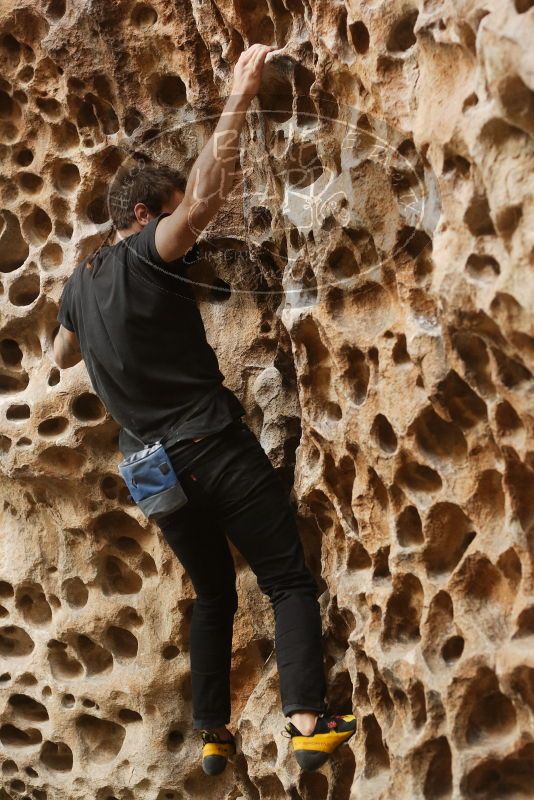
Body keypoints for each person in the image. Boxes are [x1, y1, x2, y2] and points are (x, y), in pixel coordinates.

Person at [53, 43, 356, 775]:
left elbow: (59, 360)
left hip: (146, 467)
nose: (183, 242)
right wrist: (241, 93)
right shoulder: (146, 253)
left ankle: (214, 731)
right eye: (162, 219)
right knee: (285, 577)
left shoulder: (78, 286)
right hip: (205, 442)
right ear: (141, 213)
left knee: (213, 591)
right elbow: (202, 199)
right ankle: (308, 722)